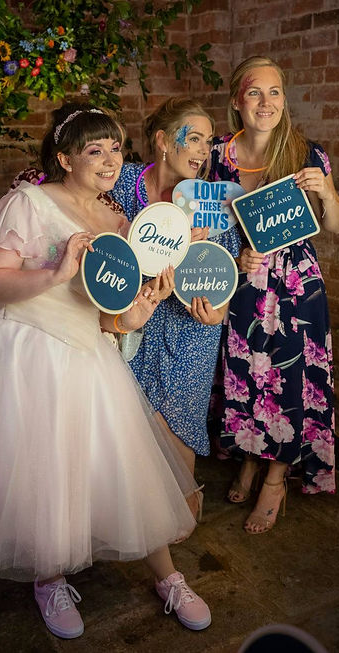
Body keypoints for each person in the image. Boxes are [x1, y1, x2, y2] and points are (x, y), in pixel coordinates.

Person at [0, 103, 212, 639]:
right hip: (24, 351)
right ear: (65, 158)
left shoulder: (118, 223)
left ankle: (168, 577)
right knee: (40, 474)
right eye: (95, 150)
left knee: (123, 469)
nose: (110, 160)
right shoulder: (29, 203)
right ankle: (48, 578)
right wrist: (56, 273)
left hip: (88, 355)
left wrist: (140, 310)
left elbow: (108, 317)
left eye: (115, 148)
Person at [209, 56, 339, 534]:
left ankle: (275, 480)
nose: (265, 102)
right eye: (254, 92)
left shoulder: (307, 153)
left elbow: (336, 224)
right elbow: (200, 224)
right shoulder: (216, 155)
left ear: (284, 100)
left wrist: (326, 193)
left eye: (274, 92)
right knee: (246, 374)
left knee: (288, 381)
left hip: (295, 287)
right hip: (241, 279)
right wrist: (232, 257)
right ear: (237, 100)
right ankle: (249, 457)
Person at [110, 97, 242, 521]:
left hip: (191, 324)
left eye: (209, 141)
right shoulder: (121, 183)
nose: (204, 150)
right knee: (129, 413)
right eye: (195, 138)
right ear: (164, 141)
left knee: (181, 414)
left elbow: (224, 271)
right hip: (134, 317)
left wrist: (217, 312)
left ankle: (184, 496)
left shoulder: (210, 200)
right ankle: (138, 509)